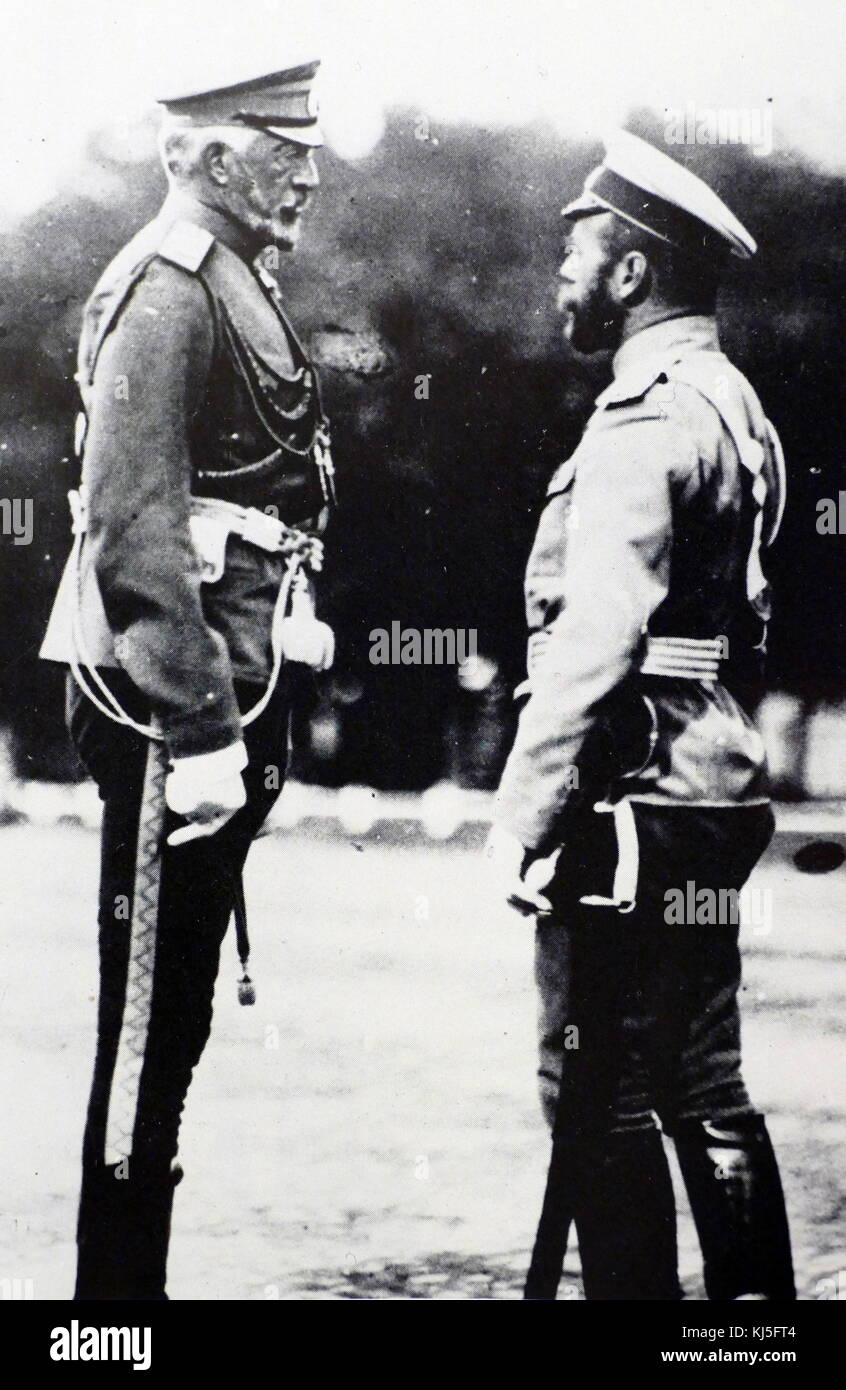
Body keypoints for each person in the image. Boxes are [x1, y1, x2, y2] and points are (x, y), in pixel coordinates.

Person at [40, 59, 336, 1300]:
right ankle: (111, 1323)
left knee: (175, 1023)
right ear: (213, 156)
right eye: (285, 146)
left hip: (232, 680)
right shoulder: (167, 291)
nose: (309, 172)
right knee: (149, 1027)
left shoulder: (234, 283)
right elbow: (130, 522)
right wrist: (201, 725)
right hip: (179, 706)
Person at [485, 130, 795, 1301]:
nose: (561, 277)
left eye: (579, 256)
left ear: (631, 276)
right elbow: (749, 618)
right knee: (705, 1077)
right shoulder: (736, 403)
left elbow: (593, 640)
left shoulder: (639, 417)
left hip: (624, 793)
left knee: (596, 1090)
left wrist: (524, 812)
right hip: (712, 778)